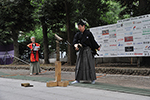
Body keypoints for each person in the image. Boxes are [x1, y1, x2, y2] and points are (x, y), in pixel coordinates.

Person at [71, 20, 100, 84]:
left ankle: (92, 79)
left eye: (80, 27)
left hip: (87, 50)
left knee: (90, 64)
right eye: (78, 27)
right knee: (79, 65)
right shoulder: (77, 34)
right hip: (81, 51)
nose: (79, 28)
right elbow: (75, 42)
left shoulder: (88, 33)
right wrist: (75, 46)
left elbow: (93, 41)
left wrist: (97, 47)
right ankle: (77, 79)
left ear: (83, 26)